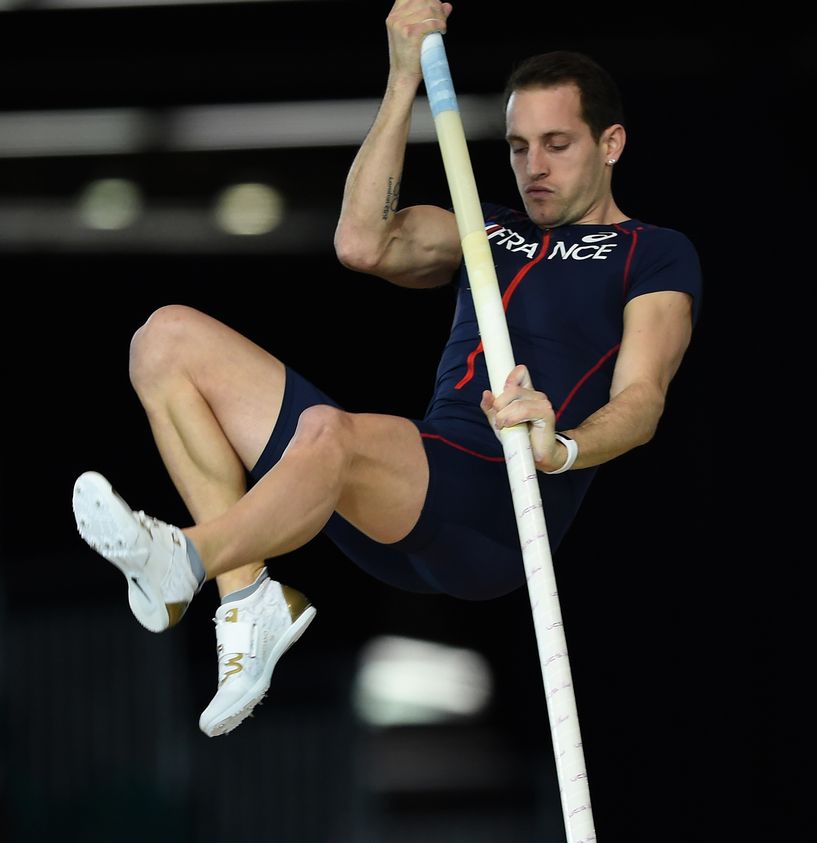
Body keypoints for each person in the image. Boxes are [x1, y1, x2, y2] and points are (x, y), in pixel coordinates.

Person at [70, 0, 700, 737]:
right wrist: (403, 80)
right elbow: (362, 242)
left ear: (612, 142)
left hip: (492, 508)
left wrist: (560, 444)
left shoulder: (653, 253)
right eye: (519, 145)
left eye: (557, 144)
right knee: (164, 340)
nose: (534, 165)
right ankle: (247, 603)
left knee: (329, 433)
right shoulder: (486, 227)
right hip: (408, 485)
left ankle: (188, 558)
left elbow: (643, 401)